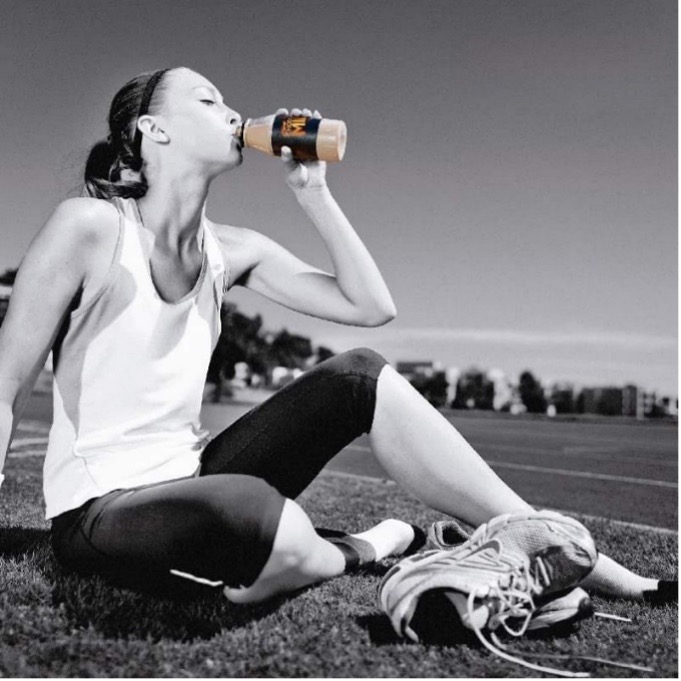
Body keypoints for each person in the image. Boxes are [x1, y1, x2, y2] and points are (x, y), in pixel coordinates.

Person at [0, 67, 674, 607]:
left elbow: (370, 306)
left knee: (357, 374)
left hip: (198, 476)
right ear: (154, 130)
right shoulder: (91, 226)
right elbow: (7, 381)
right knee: (253, 516)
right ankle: (373, 545)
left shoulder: (232, 249)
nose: (233, 113)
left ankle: (558, 550)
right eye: (208, 100)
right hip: (104, 508)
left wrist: (313, 193)